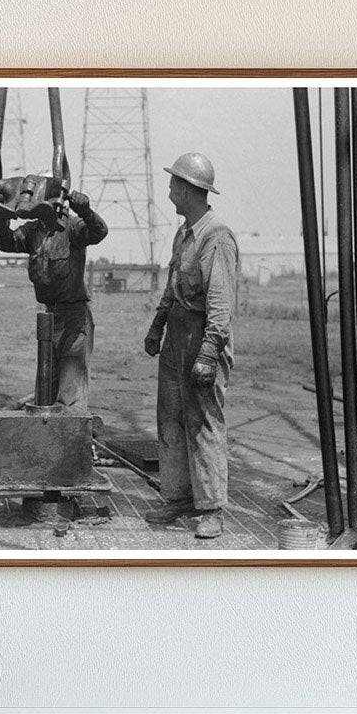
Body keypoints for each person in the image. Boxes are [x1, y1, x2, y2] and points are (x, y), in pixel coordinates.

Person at [143, 153, 239, 540]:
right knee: (171, 418)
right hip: (177, 337)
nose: (169, 192)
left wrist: (208, 353)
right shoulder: (184, 233)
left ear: (187, 189)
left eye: (172, 185)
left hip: (203, 337)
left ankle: (212, 507)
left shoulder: (216, 236)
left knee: (204, 423)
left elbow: (220, 303)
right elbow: (171, 288)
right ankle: (179, 497)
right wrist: (156, 328)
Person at [0, 190, 107, 411]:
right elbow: (6, 243)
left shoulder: (73, 227)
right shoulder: (33, 230)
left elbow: (99, 232)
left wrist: (86, 210)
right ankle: (45, 439)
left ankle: (71, 438)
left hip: (74, 319)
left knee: (70, 393)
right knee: (45, 390)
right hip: (48, 318)